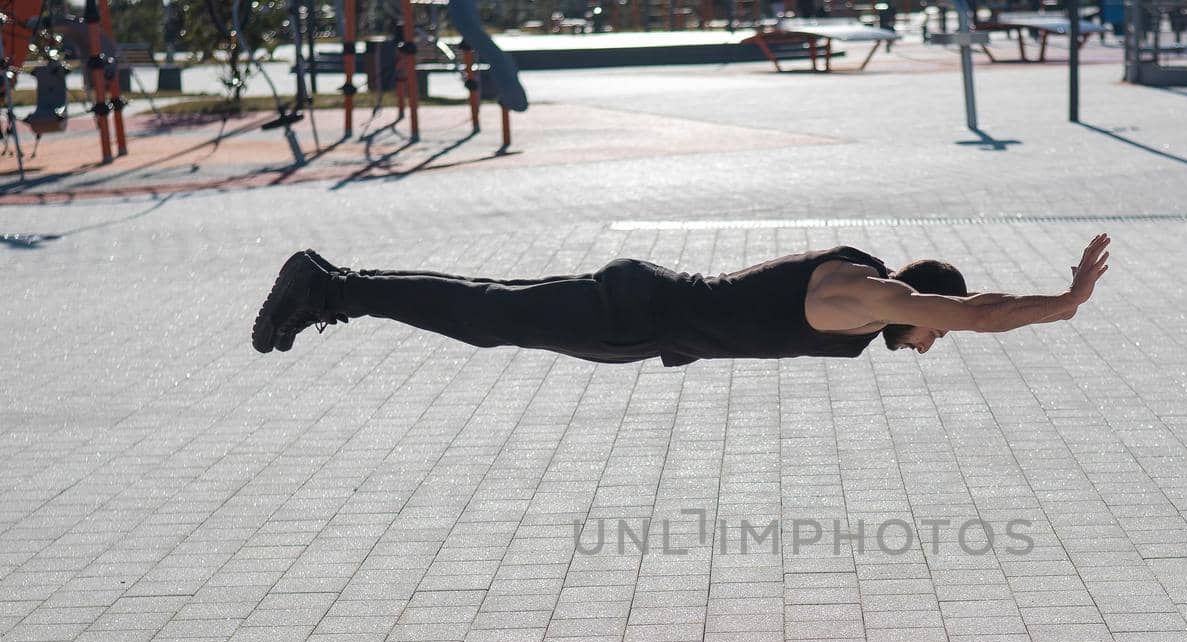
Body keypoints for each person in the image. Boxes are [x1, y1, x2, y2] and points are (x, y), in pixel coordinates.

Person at [250, 235, 1112, 367]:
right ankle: (332, 287)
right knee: (485, 317)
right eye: (941, 331)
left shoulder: (858, 283)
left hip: (642, 311)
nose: (935, 344)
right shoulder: (872, 295)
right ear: (929, 307)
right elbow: (987, 309)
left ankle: (334, 289)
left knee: (491, 309)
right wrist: (1065, 302)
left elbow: (974, 310)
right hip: (639, 316)